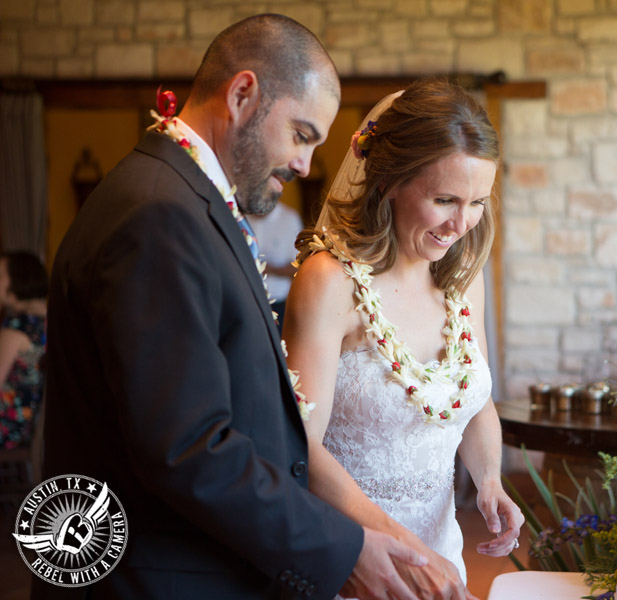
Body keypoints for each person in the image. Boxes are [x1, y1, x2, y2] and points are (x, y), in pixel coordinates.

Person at [39, 15, 452, 600]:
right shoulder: (159, 214)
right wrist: (342, 547)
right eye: (302, 134)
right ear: (242, 94)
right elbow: (186, 446)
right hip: (155, 576)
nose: (306, 165)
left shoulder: (181, 195)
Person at [282, 79, 525, 592]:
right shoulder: (331, 281)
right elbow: (299, 444)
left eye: (478, 201)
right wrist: (401, 546)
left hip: (442, 556)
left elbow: (474, 400)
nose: (462, 223)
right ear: (389, 182)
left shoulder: (462, 278)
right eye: (444, 199)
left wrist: (489, 481)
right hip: (356, 560)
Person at [0, 251, 48, 450]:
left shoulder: (18, 326)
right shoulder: (43, 320)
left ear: (18, 280)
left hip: (7, 426)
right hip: (25, 426)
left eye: (1, 276)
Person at [247, 201, 304, 331]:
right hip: (247, 301)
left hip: (277, 303)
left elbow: (299, 266)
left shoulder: (289, 219)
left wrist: (271, 269)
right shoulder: (242, 215)